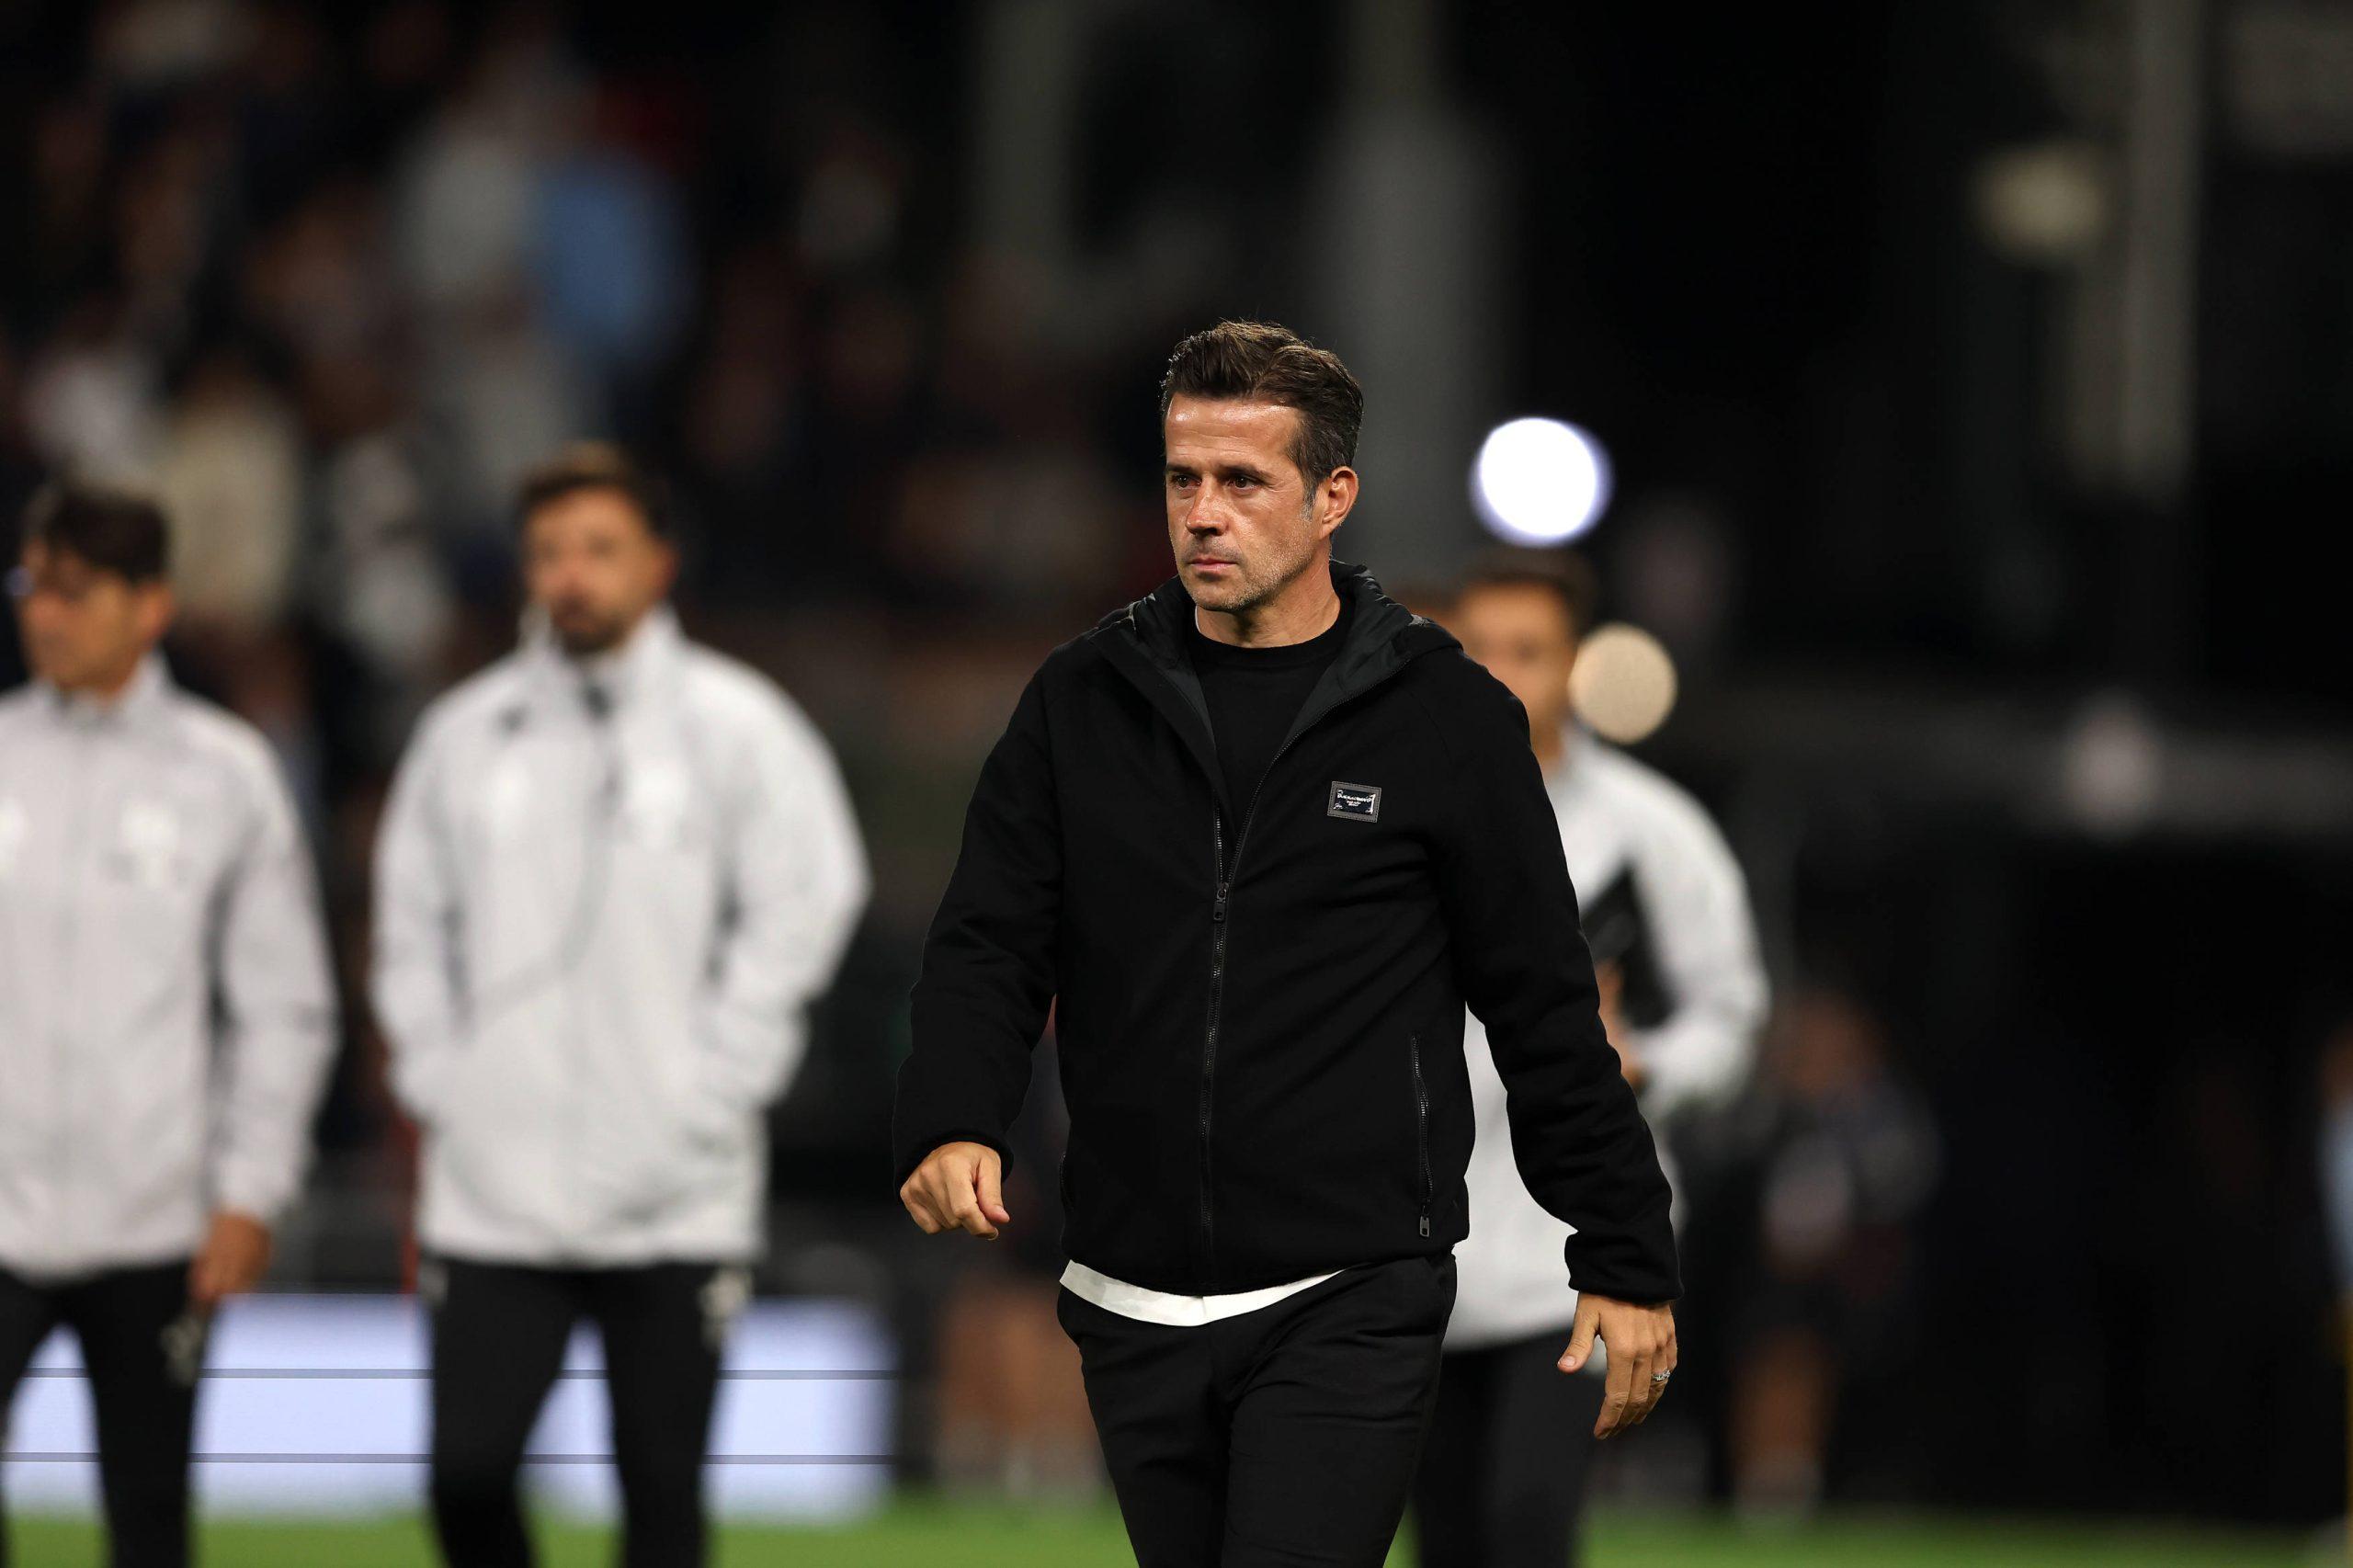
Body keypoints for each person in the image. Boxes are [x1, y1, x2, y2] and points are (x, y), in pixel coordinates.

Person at [893, 321, 1680, 1568]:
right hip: (1128, 1287)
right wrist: (955, 1115)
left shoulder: (1446, 719)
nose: (1203, 513)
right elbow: (989, 938)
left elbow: (1542, 1006)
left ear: (1332, 497)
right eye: (1181, 478)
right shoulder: (1080, 699)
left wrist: (1625, 1250)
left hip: (1354, 1287)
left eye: (1242, 480)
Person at [371, 444, 870, 1568]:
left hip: (677, 1197)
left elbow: (810, 897)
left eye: (598, 549)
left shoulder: (740, 727)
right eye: (548, 552)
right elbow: (407, 923)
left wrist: (715, 1083)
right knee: (465, 1477)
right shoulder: (465, 734)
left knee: (661, 1500)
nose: (572, 575)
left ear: (658, 563)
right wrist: (441, 1080)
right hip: (493, 1194)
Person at [0, 483, 337, 1568]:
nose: (43, 613)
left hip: (156, 1218)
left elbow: (282, 1004)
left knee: (148, 1517)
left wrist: (251, 1187)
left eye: (73, 589)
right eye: (30, 584)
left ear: (151, 605)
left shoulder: (224, 774)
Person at [1413, 550, 1768, 1568]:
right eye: (1475, 647)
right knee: (1444, 1535)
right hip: (1413, 1238)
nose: (1499, 671)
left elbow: (1734, 1015)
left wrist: (1639, 1064)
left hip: (1570, 1246)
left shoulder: (1649, 831)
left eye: (1527, 650)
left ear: (1575, 663)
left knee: (1525, 1522)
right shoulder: (1391, 810)